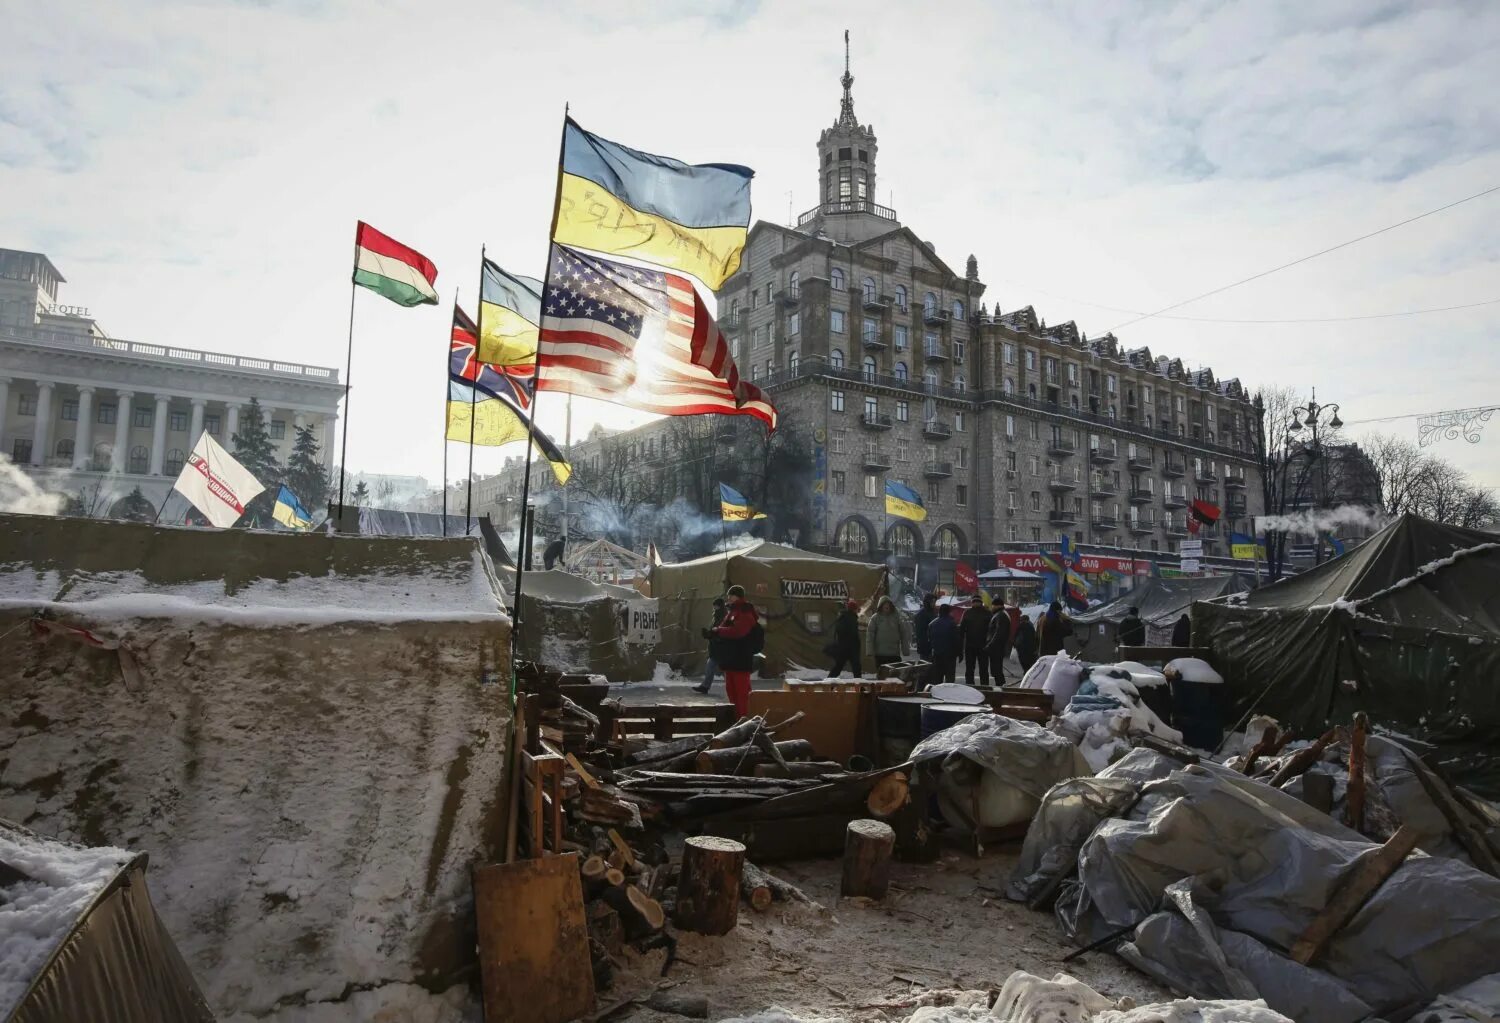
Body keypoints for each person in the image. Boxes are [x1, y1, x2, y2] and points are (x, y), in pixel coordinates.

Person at [712, 585, 760, 717]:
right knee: (731, 690)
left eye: (731, 595)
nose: (728, 598)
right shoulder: (732, 611)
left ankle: (744, 719)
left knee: (742, 692)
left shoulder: (744, 611)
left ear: (738, 596)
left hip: (741, 656)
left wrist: (719, 631)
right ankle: (736, 718)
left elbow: (739, 631)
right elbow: (724, 627)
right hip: (731, 657)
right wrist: (714, 632)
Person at [693, 596, 728, 694]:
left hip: (721, 648)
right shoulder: (717, 616)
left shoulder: (724, 617)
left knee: (726, 670)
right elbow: (714, 632)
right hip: (716, 648)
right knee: (711, 667)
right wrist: (708, 634)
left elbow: (723, 633)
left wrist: (710, 635)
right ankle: (705, 686)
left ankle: (734, 688)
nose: (714, 608)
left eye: (716, 606)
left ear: (720, 606)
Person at [866, 596, 907, 677]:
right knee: (882, 676)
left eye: (888, 604)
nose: (886, 606)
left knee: (895, 677)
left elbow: (903, 633)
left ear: (891, 605)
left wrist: (905, 650)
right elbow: (870, 634)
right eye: (884, 604)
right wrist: (869, 650)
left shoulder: (896, 617)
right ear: (881, 606)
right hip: (880, 654)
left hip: (894, 654)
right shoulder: (875, 618)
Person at [958, 595, 993, 686]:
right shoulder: (987, 613)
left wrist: (960, 648)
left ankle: (971, 687)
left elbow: (961, 631)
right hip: (982, 646)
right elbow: (992, 630)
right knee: (982, 669)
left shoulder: (967, 613)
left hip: (972, 646)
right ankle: (984, 687)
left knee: (971, 669)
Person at [926, 603, 960, 685]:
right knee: (950, 679)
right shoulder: (952, 624)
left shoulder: (931, 624)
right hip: (950, 655)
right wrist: (959, 653)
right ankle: (949, 697)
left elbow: (929, 640)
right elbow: (957, 640)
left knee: (937, 679)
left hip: (937, 655)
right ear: (948, 612)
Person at [828, 599, 863, 678]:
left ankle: (828, 683)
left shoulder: (843, 617)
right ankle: (860, 686)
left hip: (843, 647)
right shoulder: (851, 618)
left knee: (838, 667)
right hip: (850, 647)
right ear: (854, 609)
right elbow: (853, 633)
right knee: (856, 668)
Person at [986, 599, 1013, 682]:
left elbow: (999, 633)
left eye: (992, 605)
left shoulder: (1001, 615)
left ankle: (1001, 689)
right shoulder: (1000, 614)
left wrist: (990, 645)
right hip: (997, 647)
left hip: (997, 648)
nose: (991, 607)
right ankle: (1001, 687)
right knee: (996, 671)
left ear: (998, 605)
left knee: (997, 671)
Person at [914, 593, 937, 663]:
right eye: (932, 602)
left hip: (932, 645)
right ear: (928, 602)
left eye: (934, 602)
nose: (934, 604)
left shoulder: (932, 612)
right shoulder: (921, 614)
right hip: (925, 646)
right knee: (925, 667)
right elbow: (920, 632)